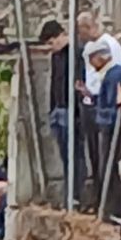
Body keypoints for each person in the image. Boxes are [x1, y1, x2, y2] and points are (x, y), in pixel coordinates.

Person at [75, 12, 121, 205]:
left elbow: (113, 95)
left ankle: (109, 202)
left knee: (108, 161)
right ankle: (99, 197)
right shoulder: (90, 47)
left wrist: (95, 101)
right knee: (96, 159)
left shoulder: (111, 49)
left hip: (105, 116)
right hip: (95, 107)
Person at [40, 20, 80, 196]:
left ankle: (76, 193)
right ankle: (69, 191)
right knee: (64, 153)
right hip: (58, 108)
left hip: (70, 108)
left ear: (61, 36)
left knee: (74, 154)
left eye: (51, 42)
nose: (51, 47)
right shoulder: (56, 56)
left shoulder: (75, 53)